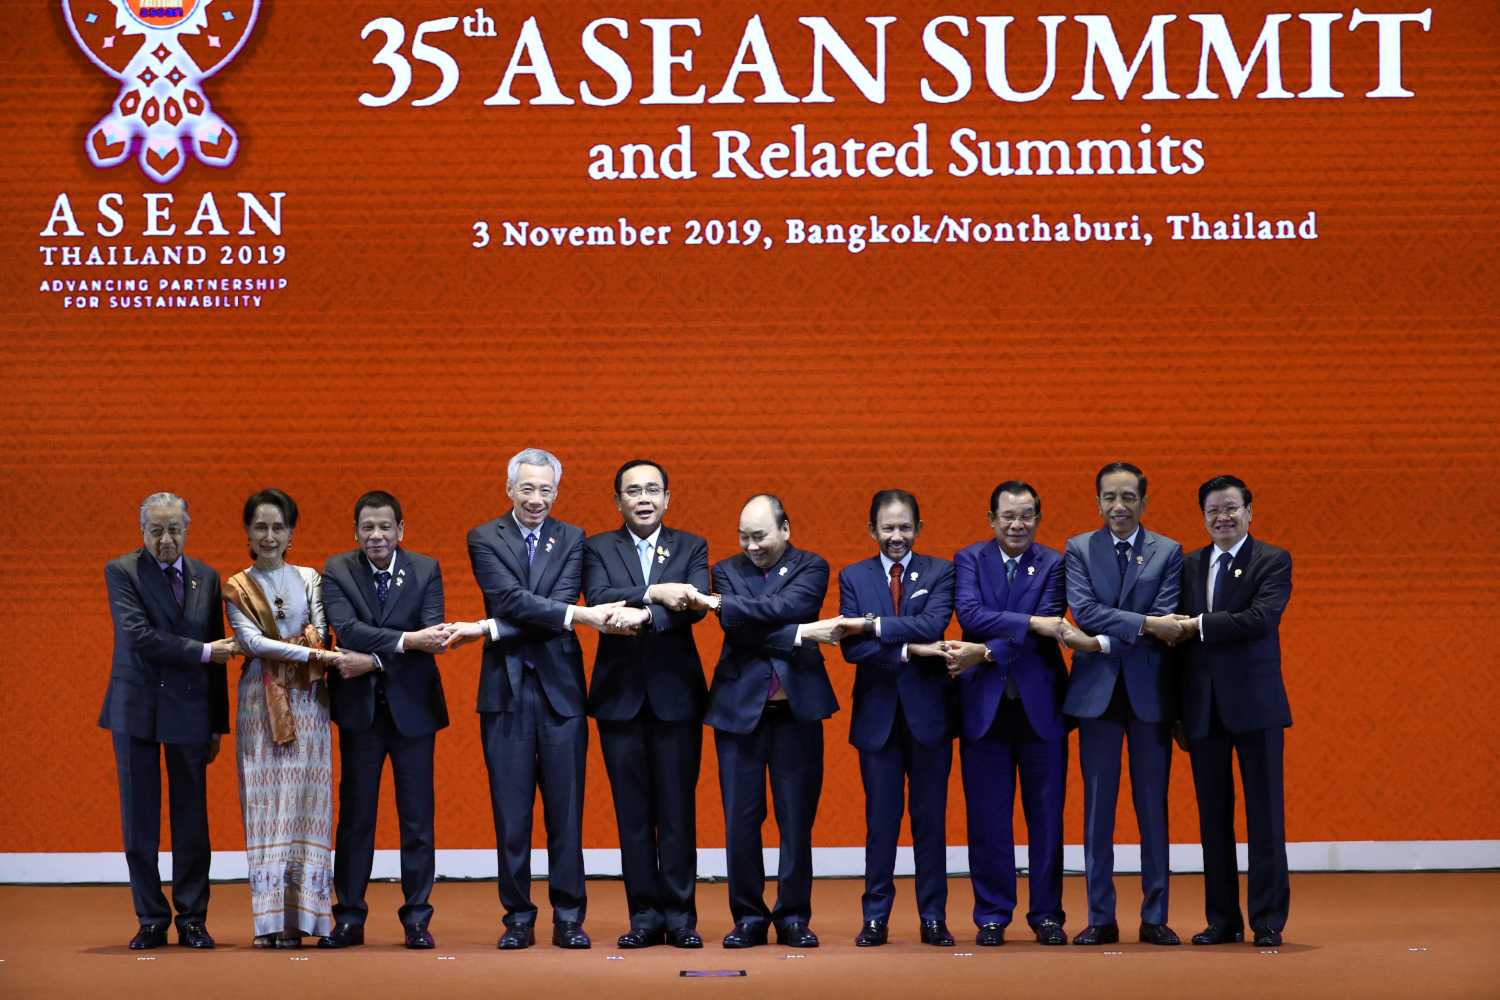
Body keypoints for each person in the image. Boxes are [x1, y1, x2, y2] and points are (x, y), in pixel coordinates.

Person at [443, 448, 625, 950]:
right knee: (511, 813)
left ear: (557, 492)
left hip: (562, 693)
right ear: (509, 489)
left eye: (546, 490)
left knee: (567, 813)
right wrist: (569, 616)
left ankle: (569, 917)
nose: (537, 499)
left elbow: (560, 599)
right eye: (528, 489)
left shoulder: (573, 538)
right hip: (505, 692)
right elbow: (507, 599)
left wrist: (508, 623)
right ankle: (518, 918)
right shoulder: (483, 537)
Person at [687, 494, 842, 949]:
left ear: (785, 529)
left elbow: (783, 609)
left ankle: (794, 916)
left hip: (797, 712)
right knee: (741, 820)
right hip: (739, 713)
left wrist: (735, 609)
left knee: (796, 820)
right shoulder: (726, 570)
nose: (751, 546)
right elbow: (739, 627)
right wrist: (799, 633)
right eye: (744, 537)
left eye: (760, 536)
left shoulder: (813, 566)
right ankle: (748, 917)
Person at [224, 488, 370, 948]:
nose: (269, 535)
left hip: (309, 702)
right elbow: (253, 644)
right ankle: (269, 924)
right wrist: (309, 651)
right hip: (261, 702)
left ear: (291, 532)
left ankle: (304, 921)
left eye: (278, 527)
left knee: (309, 806)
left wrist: (314, 651)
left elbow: (324, 632)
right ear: (248, 531)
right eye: (261, 527)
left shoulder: (310, 578)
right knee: (267, 808)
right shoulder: (235, 586)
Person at [582, 459, 711, 949]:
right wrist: (656, 594)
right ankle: (644, 916)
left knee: (678, 811)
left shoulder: (692, 546)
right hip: (619, 699)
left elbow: (693, 609)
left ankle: (680, 917)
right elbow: (598, 598)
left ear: (667, 498)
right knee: (631, 815)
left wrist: (637, 612)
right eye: (633, 491)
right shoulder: (596, 547)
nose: (643, 498)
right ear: (618, 501)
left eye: (652, 490)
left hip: (677, 696)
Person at [100, 492, 237, 950]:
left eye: (174, 529)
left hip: (192, 710)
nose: (165, 539)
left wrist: (218, 722)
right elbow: (138, 636)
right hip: (136, 709)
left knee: (192, 820)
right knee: (140, 819)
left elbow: (219, 652)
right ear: (142, 532)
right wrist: (200, 652)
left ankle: (193, 918)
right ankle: (151, 918)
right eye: (156, 530)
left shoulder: (206, 577)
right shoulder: (121, 572)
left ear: (187, 529)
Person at [1057, 462, 1185, 946]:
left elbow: (1169, 616)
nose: (1119, 506)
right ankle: (1100, 916)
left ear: (1143, 502)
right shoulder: (1079, 548)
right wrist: (1145, 626)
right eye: (1110, 497)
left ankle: (1155, 915)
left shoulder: (1168, 552)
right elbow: (1084, 611)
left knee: (1154, 808)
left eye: (1129, 497)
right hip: (1097, 696)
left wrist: (1110, 636)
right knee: (1097, 811)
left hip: (1151, 695)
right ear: (1098, 502)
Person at [319, 491, 451, 950]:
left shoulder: (425, 568)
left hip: (415, 710)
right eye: (367, 528)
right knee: (356, 818)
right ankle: (349, 918)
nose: (376, 535)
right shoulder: (337, 570)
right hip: (361, 714)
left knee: (417, 820)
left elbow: (433, 637)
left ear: (400, 530)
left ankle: (417, 918)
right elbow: (347, 629)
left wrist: (373, 661)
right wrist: (406, 642)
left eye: (385, 527)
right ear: (355, 532)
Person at [1172, 475, 1293, 948]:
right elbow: (1176, 649)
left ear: (1249, 512)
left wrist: (1197, 625)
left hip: (1256, 708)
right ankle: (1222, 919)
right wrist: (1176, 712)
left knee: (1265, 817)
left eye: (1230, 509)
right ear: (1203, 517)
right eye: (1212, 511)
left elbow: (1260, 619)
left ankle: (1267, 919)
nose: (1222, 518)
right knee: (1212, 819)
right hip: (1202, 710)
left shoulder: (1272, 560)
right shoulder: (1189, 565)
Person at [836, 489, 958, 948]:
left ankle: (933, 917)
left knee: (931, 822)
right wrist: (910, 649)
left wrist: (873, 625)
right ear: (872, 530)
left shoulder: (941, 571)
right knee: (880, 823)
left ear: (918, 529)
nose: (896, 536)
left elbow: (933, 623)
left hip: (930, 718)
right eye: (887, 527)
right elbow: (852, 650)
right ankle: (875, 918)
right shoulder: (853, 576)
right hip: (877, 719)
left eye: (905, 527)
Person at [952, 481, 1071, 946]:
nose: (1017, 524)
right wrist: (1031, 624)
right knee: (987, 818)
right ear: (991, 518)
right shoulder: (969, 560)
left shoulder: (1054, 564)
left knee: (1046, 817)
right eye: (1008, 516)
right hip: (984, 707)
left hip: (1041, 707)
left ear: (1037, 520)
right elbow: (971, 613)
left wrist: (984, 652)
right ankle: (992, 914)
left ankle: (1047, 914)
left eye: (1026, 516)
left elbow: (1049, 625)